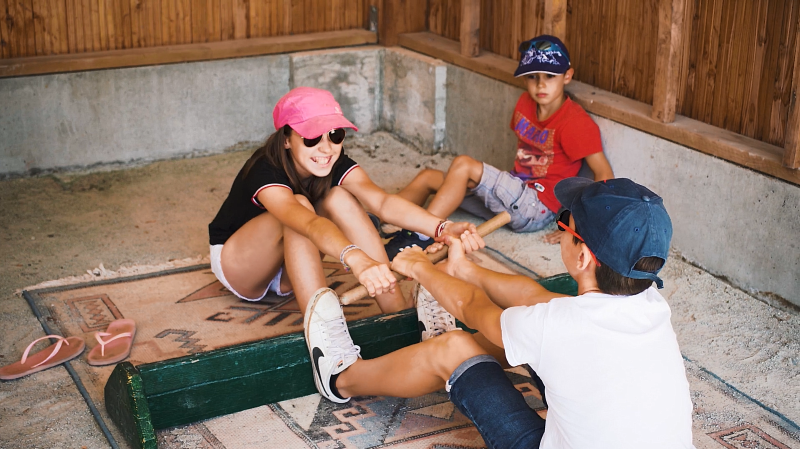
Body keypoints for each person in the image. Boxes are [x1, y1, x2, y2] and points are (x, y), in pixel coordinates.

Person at [306, 177, 695, 448]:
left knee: (455, 346)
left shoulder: (556, 326)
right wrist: (465, 270)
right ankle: (431, 351)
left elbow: (471, 307)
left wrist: (419, 267)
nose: (560, 230)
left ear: (581, 256)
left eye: (565, 225)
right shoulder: (652, 305)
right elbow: (538, 302)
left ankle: (342, 377)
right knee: (534, 320)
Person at [207, 87, 483, 393]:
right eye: (311, 138)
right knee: (298, 206)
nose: (326, 148)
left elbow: (383, 204)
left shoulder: (331, 162)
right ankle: (326, 341)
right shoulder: (265, 169)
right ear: (286, 138)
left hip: (290, 265)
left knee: (340, 195)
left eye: (335, 135)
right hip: (242, 265)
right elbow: (308, 224)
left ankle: (398, 313)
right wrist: (356, 258)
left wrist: (443, 228)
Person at [381, 34, 614, 260]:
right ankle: (382, 218)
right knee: (429, 177)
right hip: (513, 195)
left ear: (567, 76)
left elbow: (604, 174)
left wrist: (579, 226)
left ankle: (422, 235)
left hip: (537, 206)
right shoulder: (524, 103)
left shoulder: (575, 122)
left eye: (550, 75)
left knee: (463, 165)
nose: (541, 84)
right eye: (533, 76)